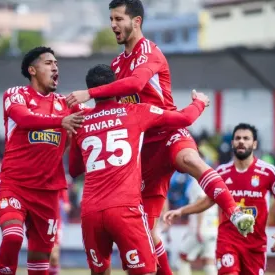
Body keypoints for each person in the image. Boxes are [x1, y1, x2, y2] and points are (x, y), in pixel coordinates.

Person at [66, 2, 254, 273]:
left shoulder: (150, 52)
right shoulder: (116, 64)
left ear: (137, 21)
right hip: (143, 149)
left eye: (119, 18)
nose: (113, 25)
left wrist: (88, 94)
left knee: (191, 159)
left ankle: (235, 213)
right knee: (149, 231)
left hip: (168, 130)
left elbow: (135, 85)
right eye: (110, 19)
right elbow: (115, 107)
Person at [69, 64, 210, 275]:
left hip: (90, 211)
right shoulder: (135, 111)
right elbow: (184, 119)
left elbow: (74, 169)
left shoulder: (81, 122)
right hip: (125, 208)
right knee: (145, 271)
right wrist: (199, 102)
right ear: (115, 87)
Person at [0, 46, 84, 275]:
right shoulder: (16, 94)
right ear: (32, 70)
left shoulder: (67, 104)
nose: (55, 67)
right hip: (15, 184)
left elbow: (99, 113)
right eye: (48, 63)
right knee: (13, 236)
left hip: (47, 192)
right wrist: (60, 122)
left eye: (56, 64)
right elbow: (23, 119)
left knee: (41, 258)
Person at [164, 123, 275, 275]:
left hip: (255, 245)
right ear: (232, 143)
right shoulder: (221, 172)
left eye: (246, 138)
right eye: (238, 138)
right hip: (228, 241)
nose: (241, 142)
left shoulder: (268, 172)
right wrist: (182, 211)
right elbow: (207, 201)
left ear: (254, 143)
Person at [171, 172, 218, 275]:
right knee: (208, 259)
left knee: (183, 256)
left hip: (201, 227)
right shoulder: (211, 181)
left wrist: (198, 229)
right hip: (213, 226)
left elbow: (201, 203)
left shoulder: (198, 182)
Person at [48, 189, 71, 275]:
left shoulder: (57, 180)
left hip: (54, 223)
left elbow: (66, 205)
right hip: (40, 220)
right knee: (42, 255)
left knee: (54, 256)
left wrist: (65, 202)